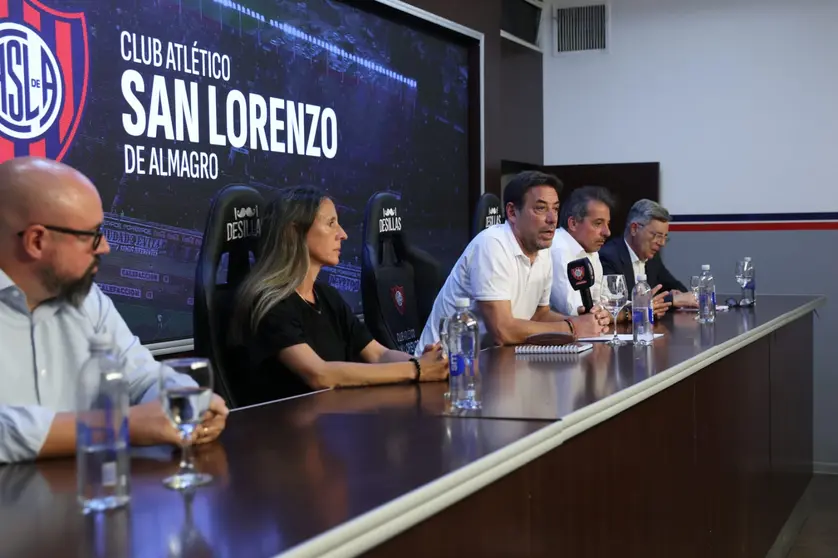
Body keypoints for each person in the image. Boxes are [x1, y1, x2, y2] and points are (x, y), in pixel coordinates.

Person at [0, 157, 228, 464]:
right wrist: (120, 426)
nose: (105, 247)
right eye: (93, 235)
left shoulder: (87, 300)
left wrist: (186, 403)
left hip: (89, 496)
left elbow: (143, 378)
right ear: (36, 240)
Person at [230, 186, 448, 405]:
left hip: (332, 423)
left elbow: (379, 355)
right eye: (331, 223)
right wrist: (417, 369)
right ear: (294, 231)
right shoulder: (271, 304)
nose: (342, 234)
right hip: (284, 433)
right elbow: (320, 375)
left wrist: (432, 365)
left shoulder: (327, 296)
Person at [416, 171, 611, 351]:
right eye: (541, 208)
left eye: (556, 209)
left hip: (494, 362)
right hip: (447, 369)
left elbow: (539, 314)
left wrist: (584, 321)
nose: (552, 219)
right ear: (512, 212)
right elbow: (502, 330)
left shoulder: (543, 249)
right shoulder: (492, 244)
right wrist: (573, 327)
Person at [599, 199, 696, 311]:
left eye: (665, 237)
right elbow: (618, 304)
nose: (662, 243)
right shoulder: (609, 257)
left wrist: (674, 294)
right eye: (657, 236)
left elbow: (677, 288)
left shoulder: (652, 258)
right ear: (634, 229)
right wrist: (671, 300)